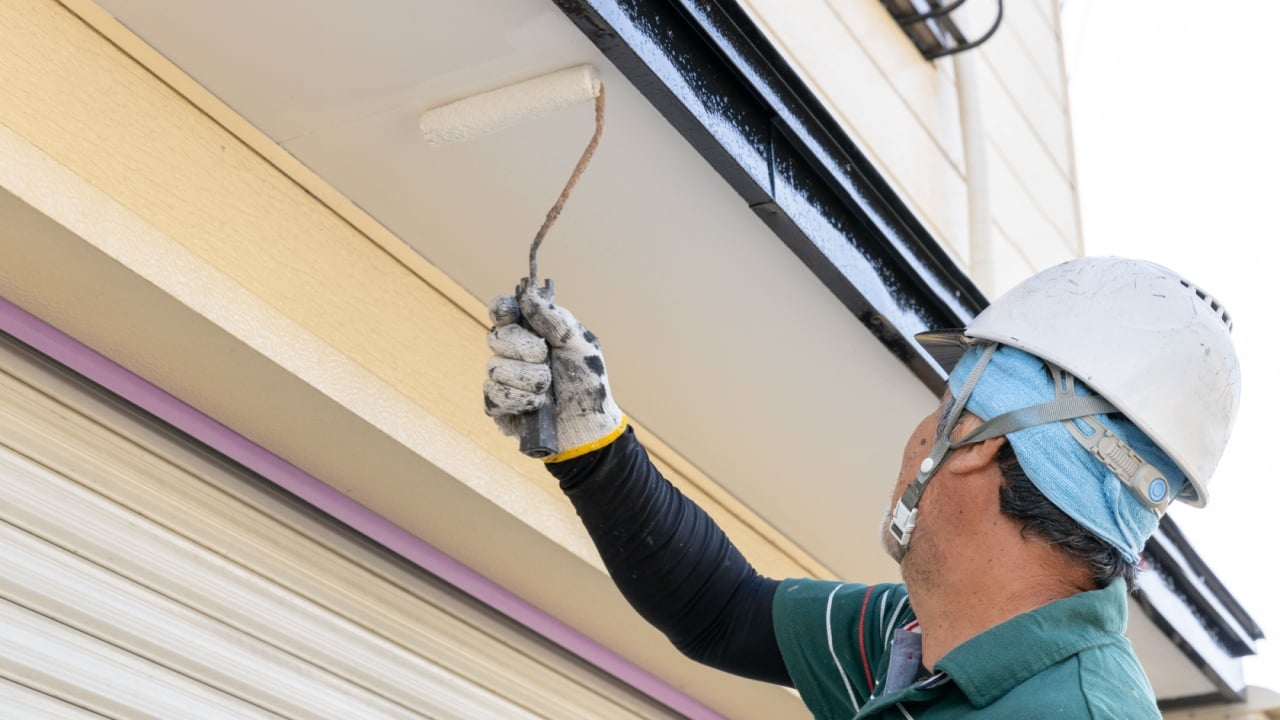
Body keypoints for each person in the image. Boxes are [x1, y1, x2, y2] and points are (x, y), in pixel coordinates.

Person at [482, 257, 1240, 719]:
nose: (917, 436)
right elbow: (721, 612)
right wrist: (591, 440)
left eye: (945, 410)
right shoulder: (917, 641)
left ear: (979, 446)